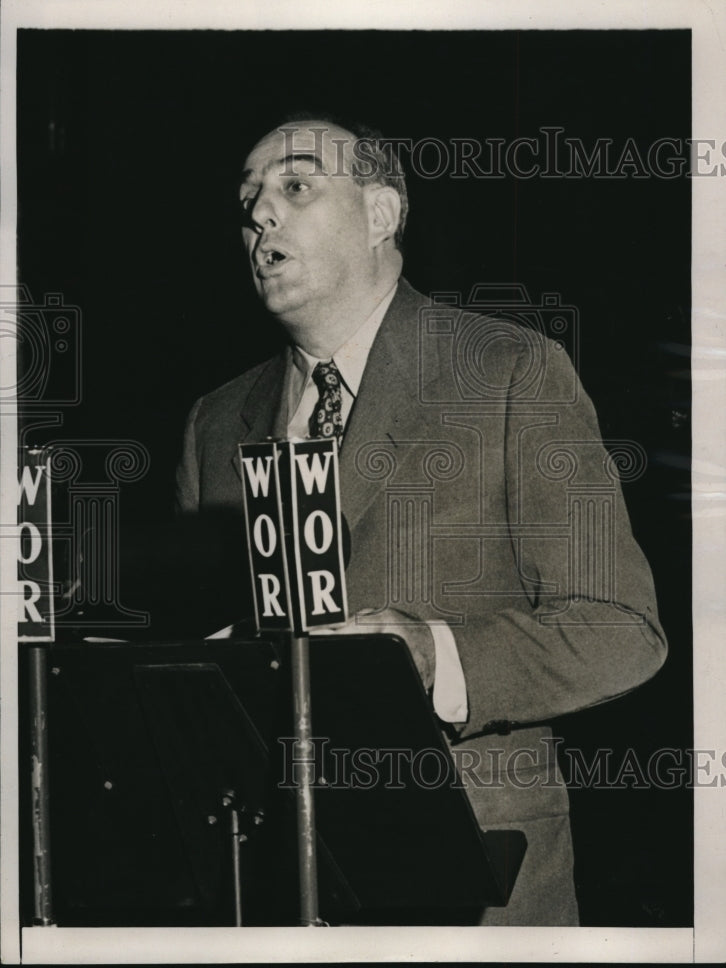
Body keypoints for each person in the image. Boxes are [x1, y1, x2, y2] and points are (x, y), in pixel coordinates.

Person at [175, 117, 668, 925]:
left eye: (295, 187)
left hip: (475, 885)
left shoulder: (510, 372)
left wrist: (436, 656)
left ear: (380, 216)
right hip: (269, 885)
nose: (260, 213)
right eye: (248, 199)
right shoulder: (214, 420)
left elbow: (622, 631)